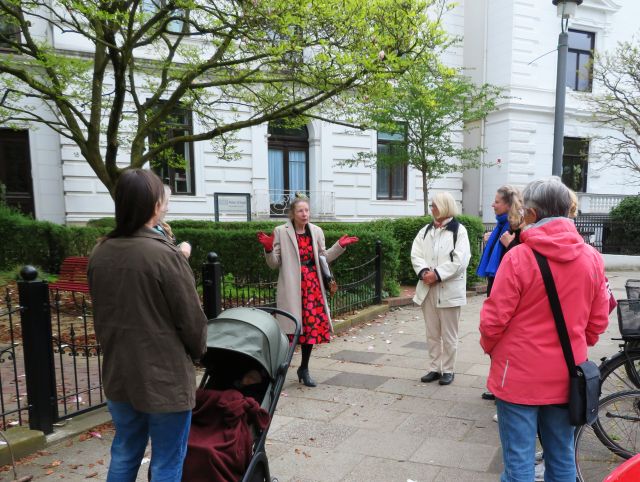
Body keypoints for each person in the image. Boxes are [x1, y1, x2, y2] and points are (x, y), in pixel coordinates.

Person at [479, 177, 609, 482]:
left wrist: (492, 348)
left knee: (519, 464)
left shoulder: (518, 257)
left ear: (533, 214)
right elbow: (598, 321)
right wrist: (579, 342)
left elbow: (492, 321)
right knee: (562, 459)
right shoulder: (591, 258)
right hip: (568, 373)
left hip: (518, 375)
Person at [88, 169, 208, 481]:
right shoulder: (164, 255)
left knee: (125, 452)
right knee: (167, 461)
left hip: (120, 374)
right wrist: (199, 353)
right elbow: (192, 321)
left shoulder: (100, 252)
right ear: (154, 205)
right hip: (165, 380)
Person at [256, 195, 358, 387]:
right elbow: (274, 264)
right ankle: (279, 371)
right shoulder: (281, 231)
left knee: (310, 329)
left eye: (307, 210)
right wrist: (269, 249)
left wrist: (339, 247)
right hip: (292, 286)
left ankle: (304, 368)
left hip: (312, 286)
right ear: (292, 214)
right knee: (290, 331)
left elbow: (323, 257)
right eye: (300, 211)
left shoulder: (316, 231)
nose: (305, 214)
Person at [411, 192, 471, 386]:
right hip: (428, 289)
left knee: (449, 335)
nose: (432, 208)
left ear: (445, 206)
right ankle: (434, 368)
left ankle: (448, 370)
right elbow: (416, 254)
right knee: (432, 333)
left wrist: (436, 274)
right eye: (432, 205)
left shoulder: (459, 231)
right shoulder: (425, 231)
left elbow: (460, 260)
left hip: (449, 289)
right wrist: (423, 272)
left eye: (435, 205)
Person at [476, 185, 524, 401]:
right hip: (495, 285)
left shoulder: (517, 228)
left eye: (497, 201)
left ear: (508, 204)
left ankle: (505, 386)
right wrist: (492, 240)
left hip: (508, 291)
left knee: (505, 340)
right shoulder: (500, 226)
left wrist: (511, 245)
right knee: (495, 336)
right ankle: (498, 384)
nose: (492, 204)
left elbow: (523, 261)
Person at [155, 184, 191, 258]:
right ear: (156, 205)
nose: (167, 209)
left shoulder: (162, 226)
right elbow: (165, 258)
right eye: (166, 203)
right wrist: (182, 252)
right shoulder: (154, 230)